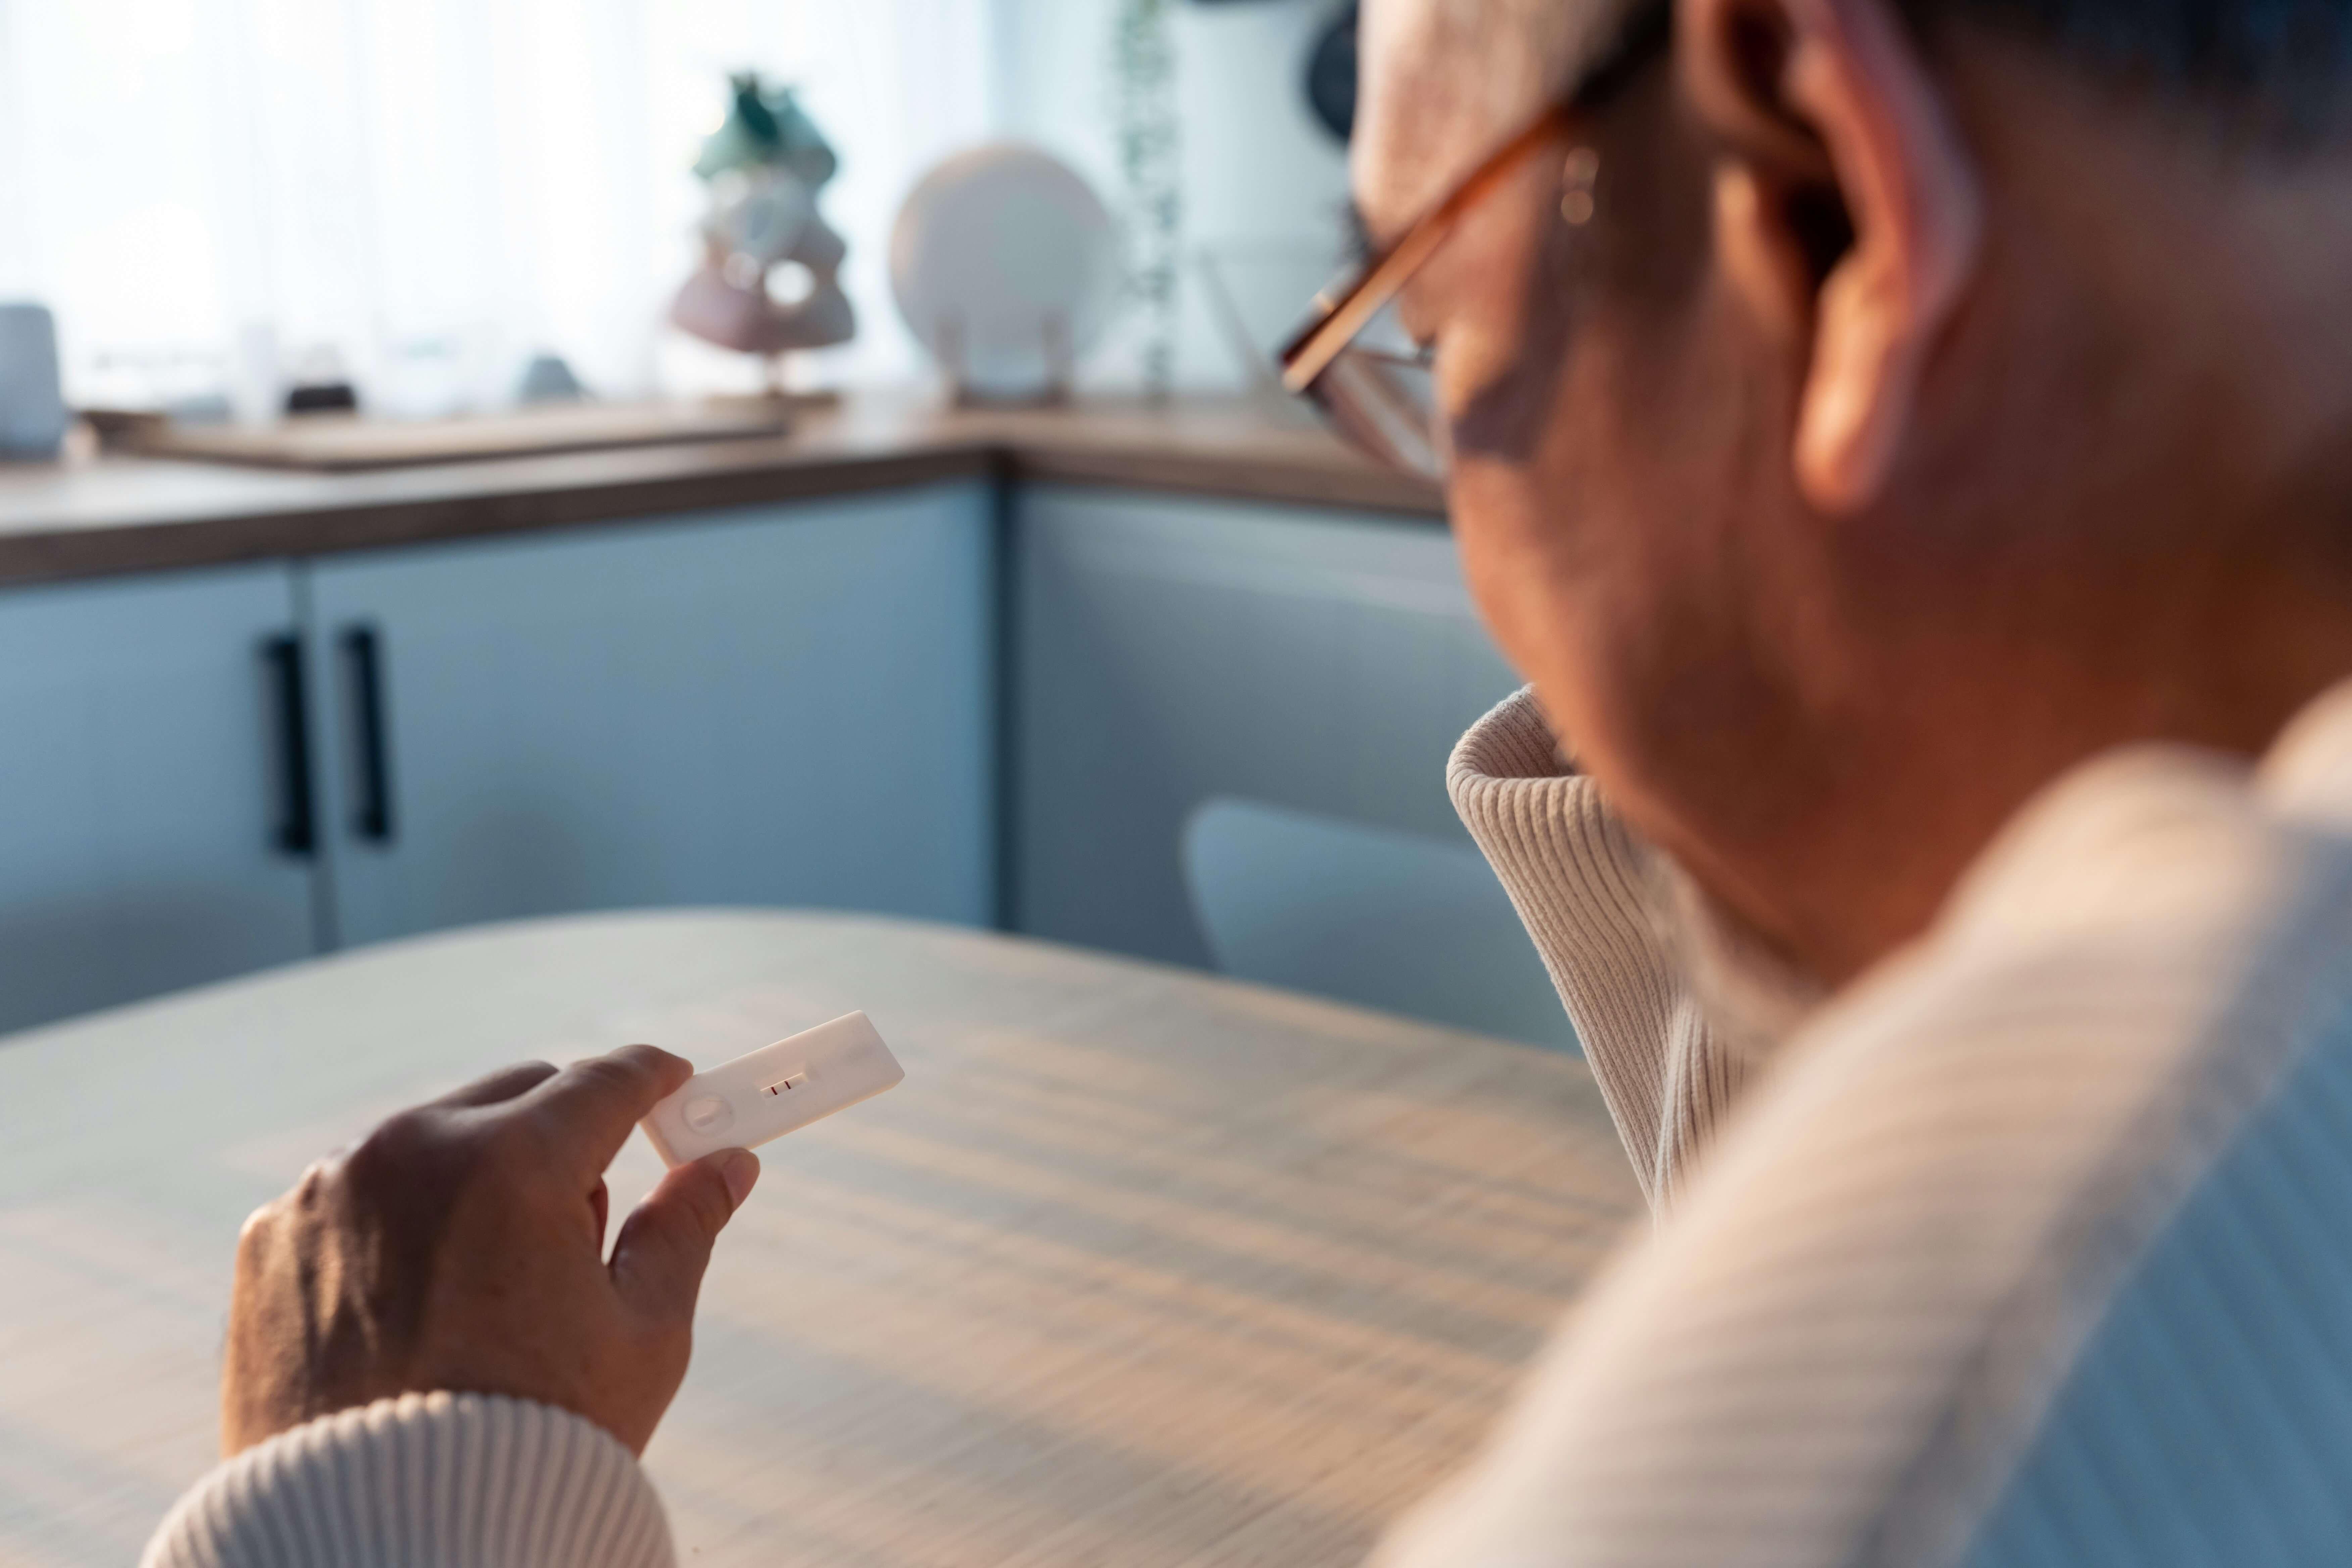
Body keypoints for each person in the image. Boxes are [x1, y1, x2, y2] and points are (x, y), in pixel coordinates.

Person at [146, 0, 2352, 1562]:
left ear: (1829, 198)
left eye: (1436, 317)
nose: (1454, 496)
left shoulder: (2021, 1312)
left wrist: (393, 1496)